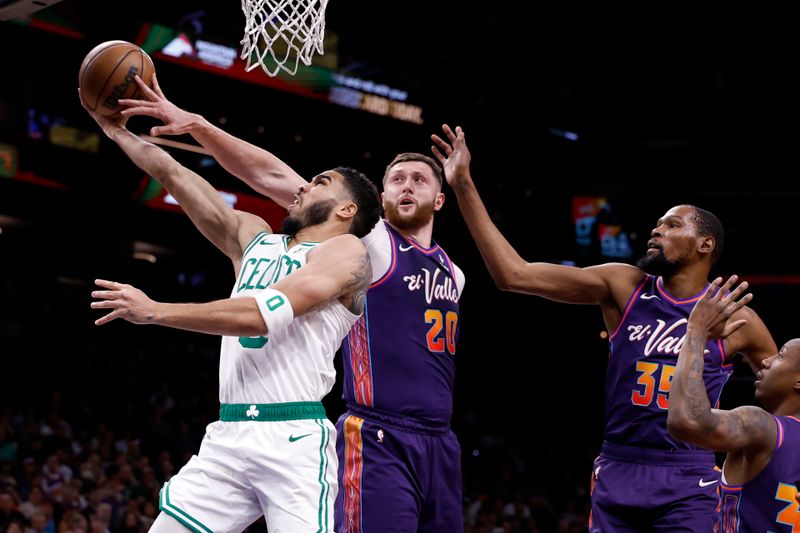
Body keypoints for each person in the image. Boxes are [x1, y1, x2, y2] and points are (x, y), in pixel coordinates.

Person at [119, 74, 466, 532]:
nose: (406, 186)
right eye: (396, 178)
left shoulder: (449, 270)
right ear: (378, 202)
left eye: (419, 179)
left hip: (414, 437)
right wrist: (156, 127)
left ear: (440, 198)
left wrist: (156, 311)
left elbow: (512, 274)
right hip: (333, 429)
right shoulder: (367, 244)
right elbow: (244, 174)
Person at [431, 124, 777, 532]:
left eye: (672, 225)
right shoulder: (624, 285)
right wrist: (464, 185)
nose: (657, 230)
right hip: (619, 465)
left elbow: (787, 396)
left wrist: (756, 464)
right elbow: (513, 274)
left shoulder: (735, 316)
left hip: (690, 472)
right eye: (657, 224)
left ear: (705, 245)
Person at [80, 90, 382, 533]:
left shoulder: (347, 254)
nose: (302, 185)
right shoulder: (254, 236)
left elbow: (262, 313)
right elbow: (171, 172)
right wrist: (114, 131)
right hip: (229, 434)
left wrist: (156, 311)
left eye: (319, 182)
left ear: (346, 209)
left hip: (293, 437)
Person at [667, 275, 800, 532]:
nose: (766, 361)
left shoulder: (763, 428)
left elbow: (685, 421)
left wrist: (696, 332)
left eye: (781, 356)